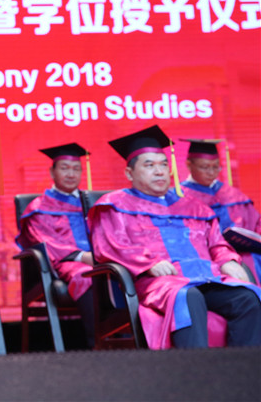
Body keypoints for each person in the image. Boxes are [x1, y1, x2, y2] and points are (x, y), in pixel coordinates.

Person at [88, 125, 261, 349]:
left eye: (163, 164)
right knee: (188, 296)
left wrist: (227, 260)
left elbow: (216, 243)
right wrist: (148, 263)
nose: (159, 171)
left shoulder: (193, 206)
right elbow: (112, 246)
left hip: (206, 276)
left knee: (247, 298)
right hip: (160, 283)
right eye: (149, 165)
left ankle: (243, 367)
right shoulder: (114, 205)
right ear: (129, 173)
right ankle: (192, 368)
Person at [16, 143, 94, 347]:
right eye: (65, 168)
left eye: (76, 169)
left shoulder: (93, 204)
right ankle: (99, 343)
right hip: (65, 265)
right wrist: (83, 257)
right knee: (86, 276)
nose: (71, 174)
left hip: (99, 259)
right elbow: (45, 242)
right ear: (52, 172)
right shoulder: (40, 207)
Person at [180, 138, 261, 283]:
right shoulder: (180, 198)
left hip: (244, 252)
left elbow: (257, 225)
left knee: (252, 257)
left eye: (216, 167)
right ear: (189, 165)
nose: (211, 172)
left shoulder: (233, 195)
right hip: (206, 256)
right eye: (204, 167)